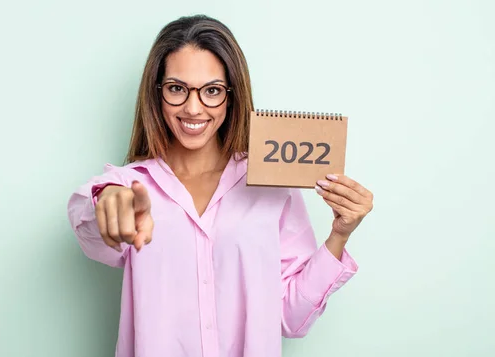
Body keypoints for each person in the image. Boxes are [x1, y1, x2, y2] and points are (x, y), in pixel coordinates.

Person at [67, 14, 373, 357]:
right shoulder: (131, 186)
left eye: (211, 91)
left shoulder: (272, 187)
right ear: (157, 93)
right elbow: (89, 226)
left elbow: (290, 318)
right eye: (176, 89)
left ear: (231, 96)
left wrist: (339, 235)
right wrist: (106, 200)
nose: (193, 108)